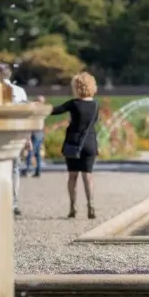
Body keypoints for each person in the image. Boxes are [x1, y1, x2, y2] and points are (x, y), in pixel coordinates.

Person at [50, 72, 100, 219]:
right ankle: (90, 205)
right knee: (88, 176)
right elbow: (94, 122)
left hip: (73, 142)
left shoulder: (73, 104)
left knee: (72, 176)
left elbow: (55, 110)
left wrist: (40, 106)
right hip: (90, 142)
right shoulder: (96, 104)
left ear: (76, 87)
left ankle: (73, 207)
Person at [0, 63, 28, 217]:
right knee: (14, 169)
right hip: (15, 134)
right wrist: (28, 136)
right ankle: (13, 202)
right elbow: (26, 115)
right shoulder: (19, 91)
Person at [23, 96, 46, 178]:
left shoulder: (37, 111)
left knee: (31, 152)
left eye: (38, 101)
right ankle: (38, 171)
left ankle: (27, 169)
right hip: (39, 134)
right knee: (37, 154)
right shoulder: (42, 111)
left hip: (35, 134)